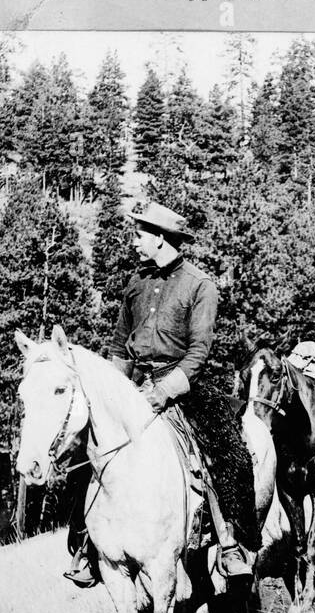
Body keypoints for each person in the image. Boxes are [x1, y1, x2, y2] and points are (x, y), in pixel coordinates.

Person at [62, 201, 261, 588]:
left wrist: (163, 392)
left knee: (224, 450)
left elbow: (199, 352)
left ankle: (229, 543)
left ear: (160, 238)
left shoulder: (199, 284)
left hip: (183, 386)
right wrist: (114, 396)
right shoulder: (136, 284)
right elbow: (120, 348)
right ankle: (86, 547)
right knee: (90, 450)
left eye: (140, 234)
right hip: (135, 387)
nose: (135, 241)